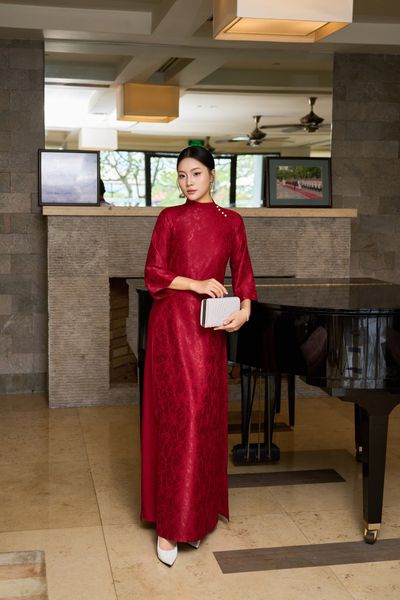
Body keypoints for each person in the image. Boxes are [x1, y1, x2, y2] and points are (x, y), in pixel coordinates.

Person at [141, 146, 257, 566]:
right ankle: (170, 526)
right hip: (172, 328)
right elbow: (154, 272)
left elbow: (243, 274)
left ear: (212, 175)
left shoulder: (232, 222)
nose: (187, 182)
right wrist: (195, 283)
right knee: (179, 418)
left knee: (204, 418)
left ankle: (197, 515)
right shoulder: (169, 218)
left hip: (210, 330)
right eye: (181, 175)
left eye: (195, 173)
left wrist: (244, 312)